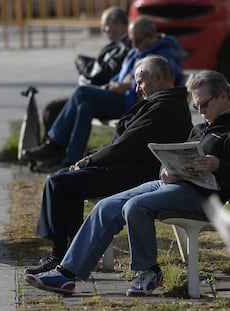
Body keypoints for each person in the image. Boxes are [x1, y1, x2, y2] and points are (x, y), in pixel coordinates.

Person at [23, 69, 230, 297]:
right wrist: (167, 170)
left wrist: (218, 164)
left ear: (223, 96)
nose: (200, 111)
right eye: (197, 106)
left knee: (135, 206)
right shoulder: (201, 129)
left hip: (203, 196)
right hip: (174, 185)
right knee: (107, 206)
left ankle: (148, 271)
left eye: (205, 105)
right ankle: (67, 274)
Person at [24, 17, 184, 166]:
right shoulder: (139, 50)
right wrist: (114, 83)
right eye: (131, 40)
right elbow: (123, 73)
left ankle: (54, 144)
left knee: (82, 92)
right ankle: (70, 161)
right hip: (120, 97)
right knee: (84, 106)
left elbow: (167, 77)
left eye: (138, 40)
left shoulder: (164, 54)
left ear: (151, 37)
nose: (134, 44)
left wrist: (128, 86)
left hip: (135, 104)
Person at [35, 6, 130, 172]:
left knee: (79, 94)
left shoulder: (125, 46)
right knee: (79, 106)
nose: (102, 29)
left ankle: (54, 145)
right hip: (102, 95)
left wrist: (83, 65)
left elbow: (104, 73)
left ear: (119, 24)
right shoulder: (116, 45)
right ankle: (69, 161)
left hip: (116, 99)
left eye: (106, 25)